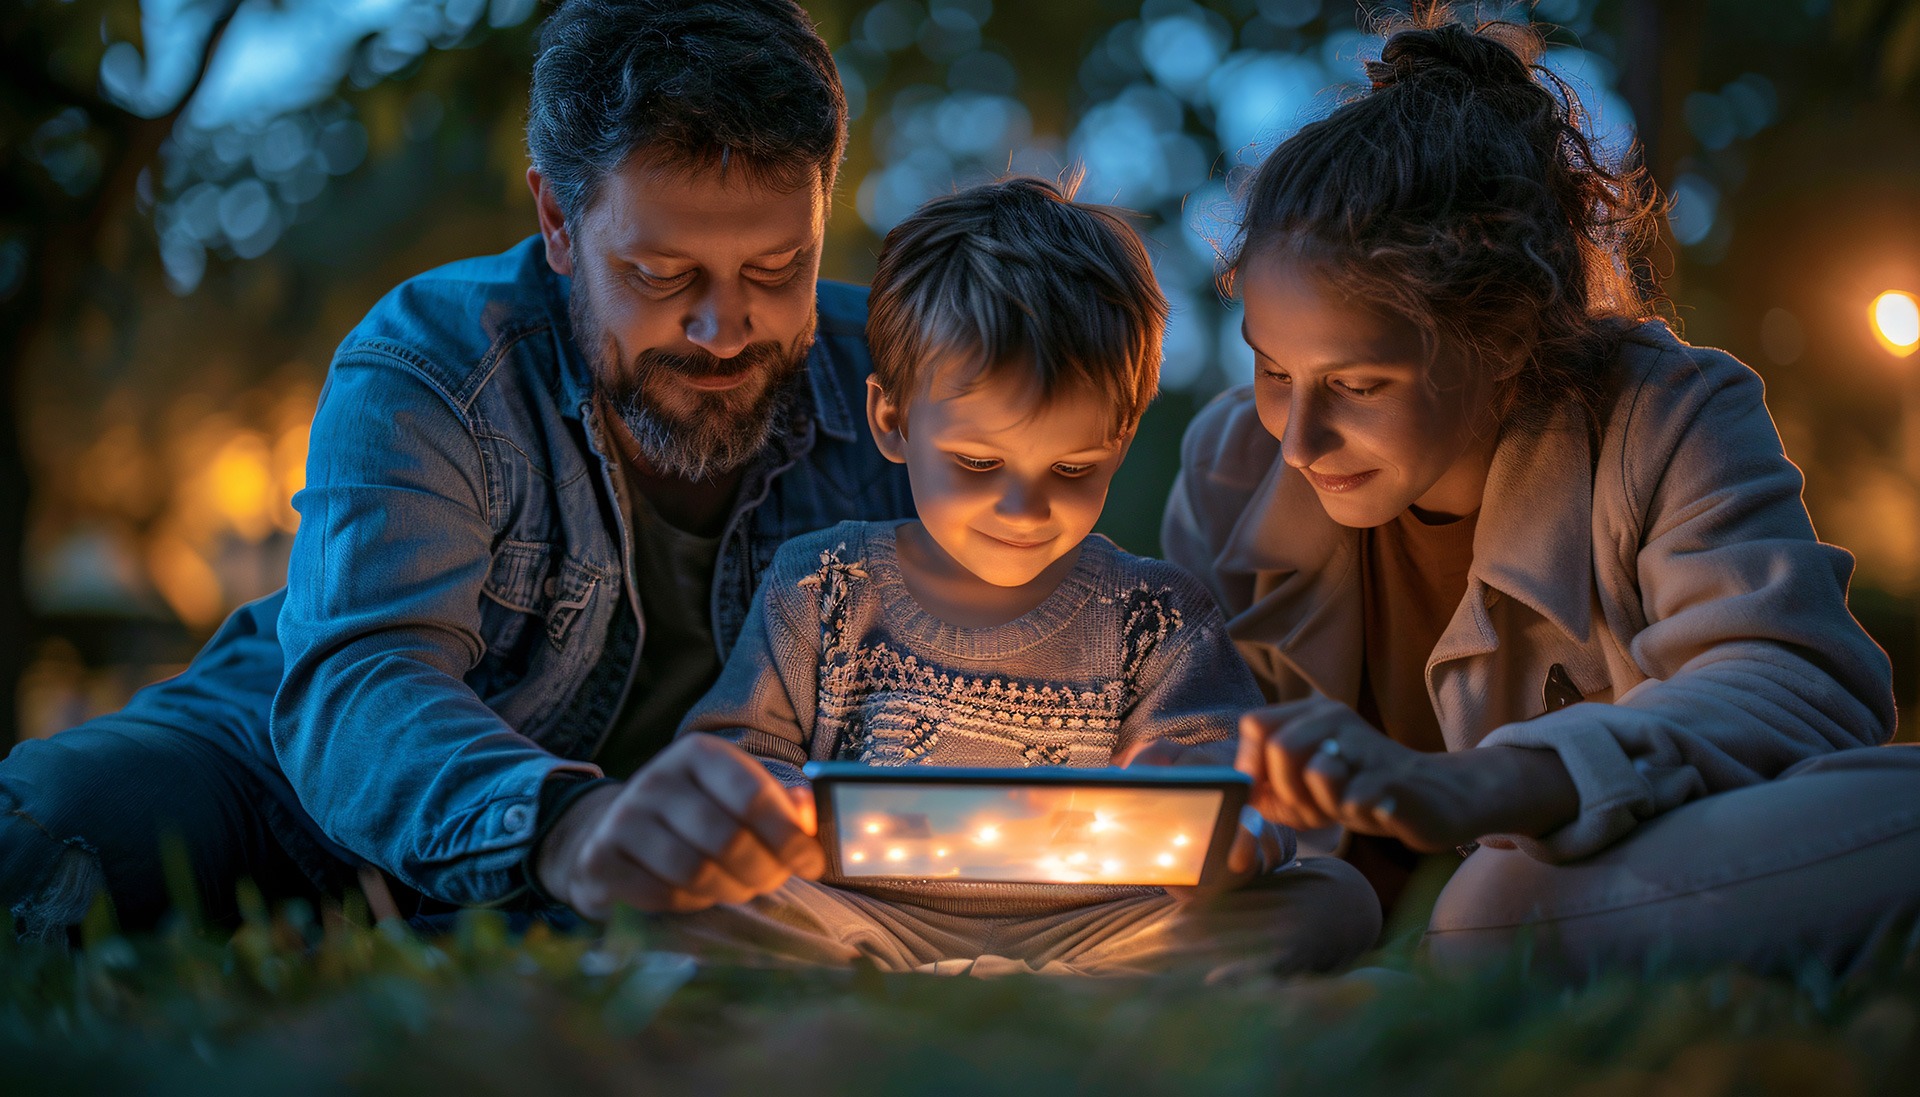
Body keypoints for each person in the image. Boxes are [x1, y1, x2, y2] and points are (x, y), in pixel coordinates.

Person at [0, 0, 916, 941]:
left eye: (776, 268)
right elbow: (365, 682)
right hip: (294, 790)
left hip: (652, 884)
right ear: (559, 222)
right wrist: (570, 826)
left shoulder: (908, 390)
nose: (726, 328)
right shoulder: (428, 364)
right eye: (661, 274)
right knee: (63, 822)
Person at [1163, 9, 1920, 977]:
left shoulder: (1667, 414)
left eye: (1356, 385)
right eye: (1272, 369)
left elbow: (1796, 687)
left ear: (1506, 338)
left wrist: (1480, 785)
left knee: (1496, 903)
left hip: (1589, 879)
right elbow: (1188, 737)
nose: (1299, 440)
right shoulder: (1231, 464)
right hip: (1342, 920)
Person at [605, 177, 1381, 977]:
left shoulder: (1154, 615)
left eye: (1074, 466)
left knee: (1335, 895)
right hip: (863, 917)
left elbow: (1232, 786)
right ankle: (969, 993)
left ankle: (1054, 994)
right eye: (978, 462)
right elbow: (734, 753)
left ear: (1120, 440)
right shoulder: (824, 586)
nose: (1024, 508)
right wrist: (774, 807)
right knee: (679, 896)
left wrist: (1225, 824)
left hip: (1098, 930)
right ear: (893, 422)